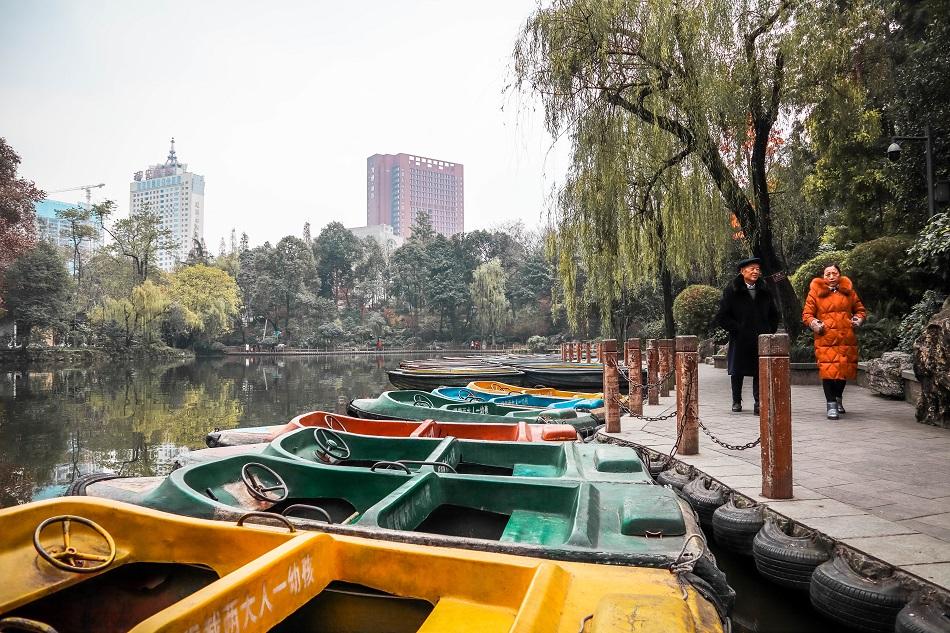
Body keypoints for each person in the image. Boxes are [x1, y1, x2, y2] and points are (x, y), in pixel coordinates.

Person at [714, 257, 780, 414]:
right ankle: (736, 400)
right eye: (752, 268)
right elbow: (722, 316)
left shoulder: (765, 290)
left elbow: (774, 313)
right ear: (742, 271)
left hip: (761, 338)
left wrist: (769, 330)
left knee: (760, 370)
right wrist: (737, 329)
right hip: (740, 337)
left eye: (758, 269)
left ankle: (759, 402)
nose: (756, 271)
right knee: (737, 371)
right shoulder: (731, 290)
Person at [802, 263, 866, 420]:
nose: (831, 277)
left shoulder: (849, 291)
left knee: (842, 372)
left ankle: (838, 398)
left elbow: (860, 310)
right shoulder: (815, 292)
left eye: (834, 273)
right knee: (828, 372)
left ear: (839, 275)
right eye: (827, 274)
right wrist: (815, 324)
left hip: (846, 339)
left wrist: (857, 320)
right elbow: (807, 314)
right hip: (826, 339)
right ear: (823, 276)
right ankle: (831, 404)